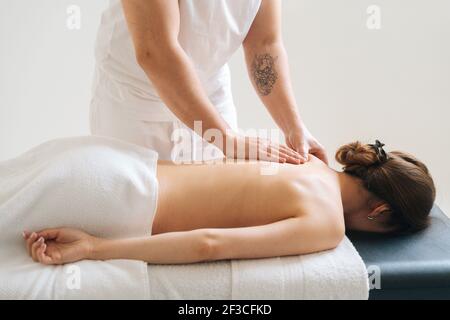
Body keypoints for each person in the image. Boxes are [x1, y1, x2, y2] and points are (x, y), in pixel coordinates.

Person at [23, 140, 435, 265]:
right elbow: (210, 244)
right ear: (381, 212)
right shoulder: (328, 223)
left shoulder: (306, 160)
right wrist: (95, 247)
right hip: (115, 201)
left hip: (103, 161)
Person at [90, 0, 327, 164]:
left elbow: (264, 44)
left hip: (212, 96)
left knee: (217, 210)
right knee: (139, 221)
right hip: (135, 104)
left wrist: (294, 128)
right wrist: (226, 138)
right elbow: (156, 52)